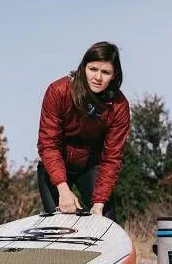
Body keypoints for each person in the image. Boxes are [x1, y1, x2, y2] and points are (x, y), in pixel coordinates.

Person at [36, 41, 130, 220]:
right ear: (83, 67)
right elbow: (48, 144)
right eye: (93, 69)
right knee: (60, 222)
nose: (98, 77)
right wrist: (63, 190)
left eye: (105, 72)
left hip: (90, 166)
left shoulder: (119, 106)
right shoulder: (58, 91)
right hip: (56, 165)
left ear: (114, 75)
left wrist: (99, 203)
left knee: (107, 220)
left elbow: (112, 158)